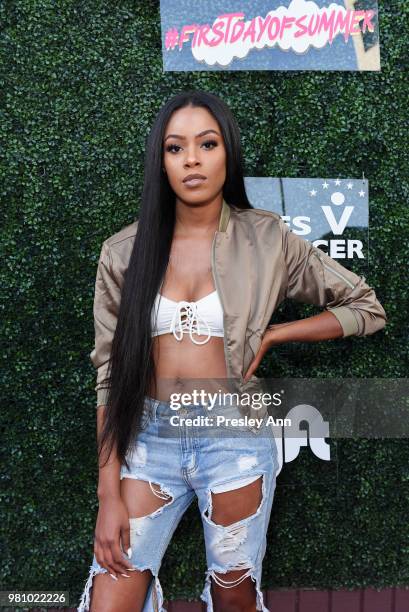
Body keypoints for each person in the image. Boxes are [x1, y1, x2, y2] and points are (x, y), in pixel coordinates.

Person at [78, 90, 387, 612]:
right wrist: (109, 495)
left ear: (228, 153)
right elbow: (109, 374)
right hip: (149, 439)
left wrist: (275, 335)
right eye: (175, 148)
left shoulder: (267, 239)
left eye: (207, 143)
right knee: (110, 598)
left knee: (234, 596)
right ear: (161, 160)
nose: (192, 159)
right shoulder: (124, 252)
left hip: (236, 438)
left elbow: (366, 308)